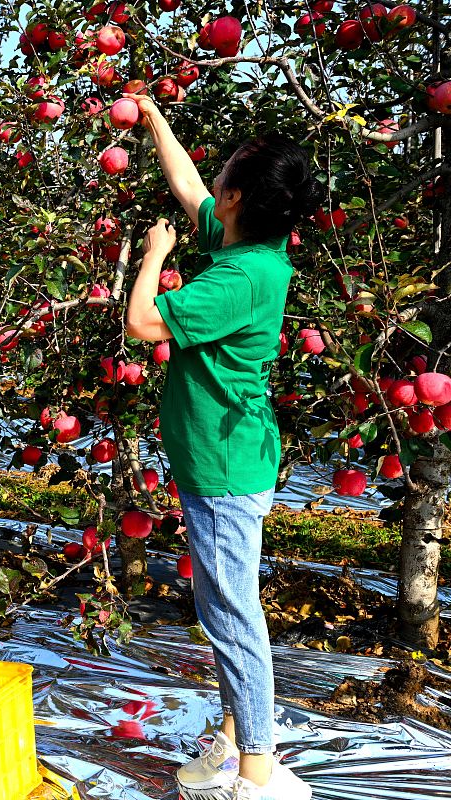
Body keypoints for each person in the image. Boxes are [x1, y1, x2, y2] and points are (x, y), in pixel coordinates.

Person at [125, 92, 319, 800]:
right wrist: (154, 118)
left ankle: (257, 773)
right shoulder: (251, 246)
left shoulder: (238, 278)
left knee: (233, 620)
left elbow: (143, 323)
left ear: (237, 198)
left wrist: (154, 256)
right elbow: (188, 186)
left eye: (228, 171)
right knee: (227, 611)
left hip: (224, 468)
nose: (215, 178)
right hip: (224, 457)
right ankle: (236, 742)